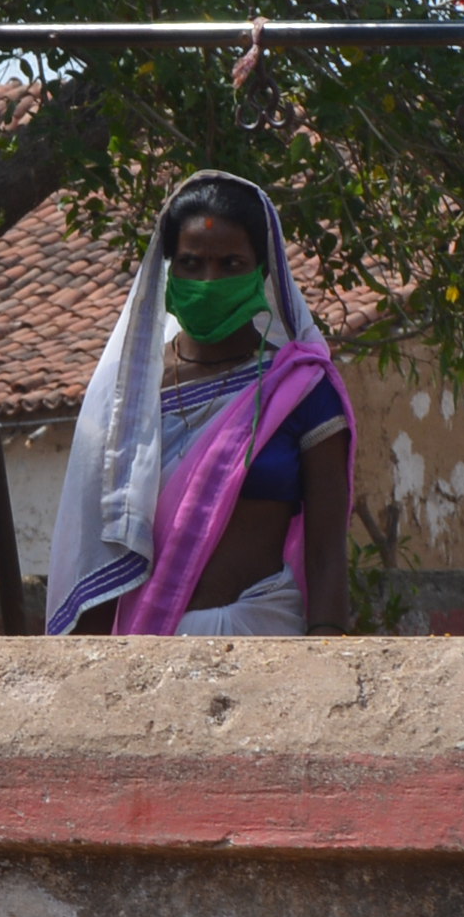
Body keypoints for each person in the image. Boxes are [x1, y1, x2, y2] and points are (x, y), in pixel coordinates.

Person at [45, 173, 354, 636]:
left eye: (231, 263)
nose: (210, 281)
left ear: (262, 272)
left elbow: (328, 553)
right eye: (191, 263)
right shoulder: (128, 401)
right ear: (169, 270)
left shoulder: (302, 390)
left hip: (267, 639)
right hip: (147, 648)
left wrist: (327, 655)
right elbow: (97, 549)